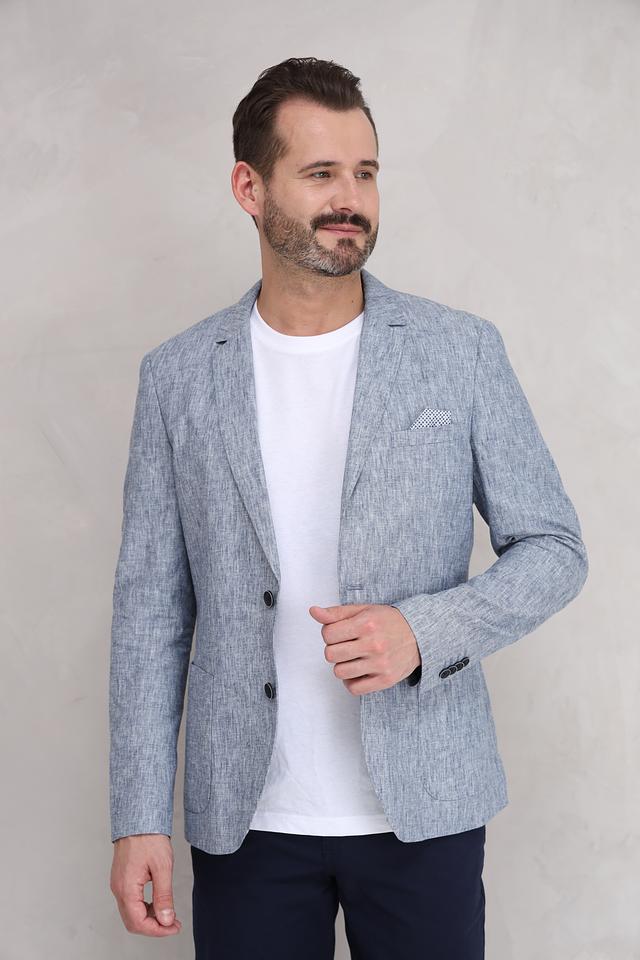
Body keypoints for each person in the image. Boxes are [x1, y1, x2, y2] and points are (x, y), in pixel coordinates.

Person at [108, 57, 588, 959]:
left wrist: (423, 631)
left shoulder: (458, 351)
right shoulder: (178, 377)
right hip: (247, 820)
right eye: (321, 173)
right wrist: (138, 815)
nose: (351, 200)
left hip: (425, 808)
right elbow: (149, 613)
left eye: (365, 173)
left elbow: (554, 547)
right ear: (250, 188)